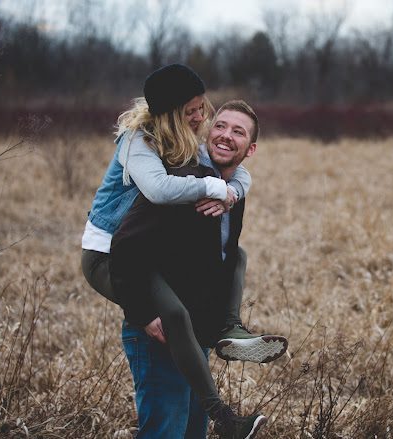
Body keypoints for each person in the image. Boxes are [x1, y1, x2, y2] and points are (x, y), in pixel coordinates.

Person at [79, 64, 286, 438]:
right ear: (172, 112)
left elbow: (235, 172)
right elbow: (158, 193)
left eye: (202, 107)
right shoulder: (139, 141)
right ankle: (225, 418)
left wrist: (231, 191)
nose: (202, 117)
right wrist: (212, 188)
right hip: (110, 250)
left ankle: (228, 327)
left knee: (236, 256)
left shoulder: (188, 147)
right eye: (192, 111)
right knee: (171, 315)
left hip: (148, 261)